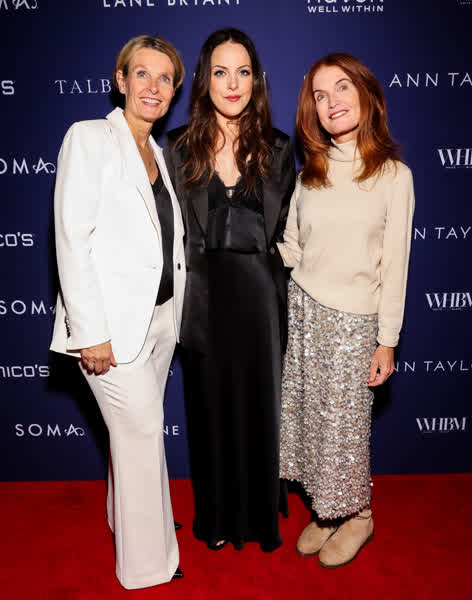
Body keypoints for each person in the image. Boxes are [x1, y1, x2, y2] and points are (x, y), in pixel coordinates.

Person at [50, 35, 186, 589]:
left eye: (165, 78)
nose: (153, 86)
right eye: (142, 74)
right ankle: (148, 567)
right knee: (142, 434)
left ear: (174, 90)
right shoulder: (89, 138)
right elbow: (71, 239)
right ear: (121, 80)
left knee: (135, 438)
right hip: (109, 328)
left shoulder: (159, 153)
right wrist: (90, 331)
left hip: (159, 320)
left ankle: (131, 521)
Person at [278, 53, 414, 568]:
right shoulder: (307, 175)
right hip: (303, 313)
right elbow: (293, 247)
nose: (331, 102)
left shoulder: (394, 176)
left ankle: (359, 515)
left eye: (341, 88)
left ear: (366, 94)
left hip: (354, 323)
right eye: (319, 95)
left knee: (344, 428)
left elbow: (395, 265)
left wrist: (387, 340)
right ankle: (327, 509)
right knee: (310, 423)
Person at [163, 28, 296, 552]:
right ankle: (216, 516)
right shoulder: (177, 147)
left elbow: (287, 234)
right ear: (204, 79)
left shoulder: (279, 147)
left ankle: (259, 518)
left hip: (261, 300)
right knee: (209, 409)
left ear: (256, 80)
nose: (233, 83)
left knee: (261, 408)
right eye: (221, 72)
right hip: (203, 299)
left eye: (243, 72)